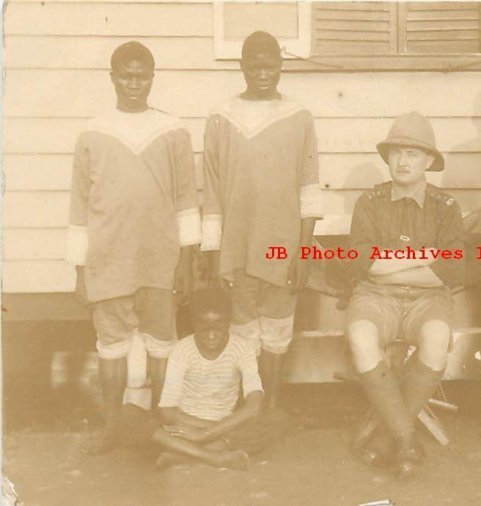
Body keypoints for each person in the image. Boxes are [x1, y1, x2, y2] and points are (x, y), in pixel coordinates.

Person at [67, 41, 200, 454]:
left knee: (162, 344)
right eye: (126, 75)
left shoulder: (173, 130)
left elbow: (186, 199)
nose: (133, 84)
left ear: (152, 78)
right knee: (112, 347)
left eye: (141, 75)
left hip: (160, 258)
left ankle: (161, 427)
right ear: (112, 78)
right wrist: (80, 268)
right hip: (107, 259)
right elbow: (79, 205)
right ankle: (111, 427)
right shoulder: (93, 132)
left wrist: (187, 260)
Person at [201, 31, 322, 410]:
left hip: (281, 247)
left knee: (276, 332)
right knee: (242, 332)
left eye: (270, 66)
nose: (263, 74)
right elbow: (212, 190)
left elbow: (309, 188)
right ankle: (246, 408)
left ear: (281, 67)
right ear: (242, 66)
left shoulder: (299, 116)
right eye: (255, 66)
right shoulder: (222, 117)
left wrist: (303, 253)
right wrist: (213, 252)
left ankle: (271, 408)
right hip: (237, 248)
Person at [346, 112, 465, 478]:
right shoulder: (370, 202)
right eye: (396, 152)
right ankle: (407, 440)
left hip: (428, 300)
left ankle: (388, 436)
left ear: (429, 160)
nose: (403, 161)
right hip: (375, 295)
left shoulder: (445, 207)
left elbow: (449, 270)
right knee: (360, 335)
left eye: (413, 153)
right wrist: (424, 256)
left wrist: (393, 261)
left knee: (437, 336)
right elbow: (366, 265)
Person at [118, 288, 288, 470]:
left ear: (229, 323)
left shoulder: (242, 349)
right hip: (184, 426)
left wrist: (206, 433)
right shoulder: (182, 350)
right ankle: (214, 457)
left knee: (278, 418)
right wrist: (204, 431)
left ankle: (182, 454)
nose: (212, 336)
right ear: (193, 324)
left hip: (219, 427)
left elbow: (255, 405)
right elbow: (167, 412)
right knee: (127, 414)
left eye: (219, 328)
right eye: (205, 329)